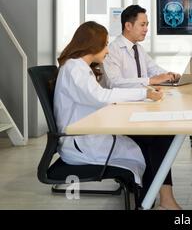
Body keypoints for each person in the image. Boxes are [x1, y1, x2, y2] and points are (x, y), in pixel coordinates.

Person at [53, 21, 181, 210]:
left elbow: (98, 96)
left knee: (154, 139)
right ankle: (147, 203)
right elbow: (100, 96)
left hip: (89, 134)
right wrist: (143, 93)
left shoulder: (80, 67)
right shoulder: (74, 68)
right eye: (105, 45)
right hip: (81, 143)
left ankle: (149, 201)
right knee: (153, 142)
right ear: (92, 45)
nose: (108, 50)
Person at [103, 4, 180, 88]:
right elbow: (114, 82)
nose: (146, 29)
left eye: (147, 25)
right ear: (128, 26)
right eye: (142, 25)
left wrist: (170, 75)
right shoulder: (113, 50)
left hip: (142, 96)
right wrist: (150, 80)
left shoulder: (138, 48)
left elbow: (153, 69)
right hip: (124, 100)